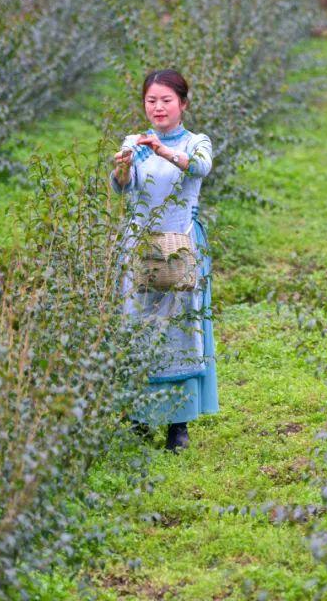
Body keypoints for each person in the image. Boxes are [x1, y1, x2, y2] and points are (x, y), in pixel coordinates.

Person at [111, 69, 218, 452]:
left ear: (183, 104)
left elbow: (200, 167)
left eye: (166, 100)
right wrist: (123, 166)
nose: (158, 107)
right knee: (139, 328)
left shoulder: (196, 141)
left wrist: (162, 150)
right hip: (139, 247)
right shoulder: (134, 141)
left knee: (179, 330)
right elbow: (123, 186)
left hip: (180, 246)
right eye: (151, 100)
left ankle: (178, 424)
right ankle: (139, 417)